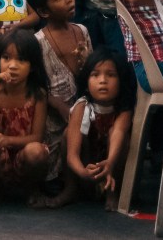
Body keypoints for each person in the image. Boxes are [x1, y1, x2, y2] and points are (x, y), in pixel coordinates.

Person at [29, 0, 91, 207]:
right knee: (65, 135)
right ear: (44, 11)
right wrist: (62, 107)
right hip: (55, 115)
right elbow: (39, 86)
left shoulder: (82, 31)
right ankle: (66, 186)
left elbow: (90, 74)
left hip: (83, 108)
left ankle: (79, 184)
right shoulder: (38, 41)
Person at [0, 29, 51, 208]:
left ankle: (32, 189)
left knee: (35, 151)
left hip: (25, 156)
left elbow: (36, 137)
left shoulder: (37, 94)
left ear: (32, 66)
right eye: (6, 58)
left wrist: (7, 139)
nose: (12, 66)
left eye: (21, 60)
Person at [65, 48, 136, 211]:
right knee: (66, 135)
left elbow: (118, 132)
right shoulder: (81, 106)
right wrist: (83, 172)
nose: (102, 80)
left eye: (111, 75)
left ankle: (112, 191)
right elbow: (71, 155)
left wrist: (110, 163)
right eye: (95, 75)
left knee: (122, 138)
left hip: (112, 163)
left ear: (121, 79)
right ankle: (70, 189)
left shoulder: (123, 109)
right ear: (86, 81)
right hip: (86, 164)